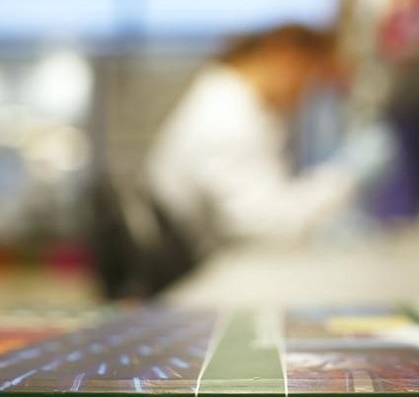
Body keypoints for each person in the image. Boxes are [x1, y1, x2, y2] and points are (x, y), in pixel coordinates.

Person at [146, 24, 382, 258]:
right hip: (200, 271)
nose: (305, 96)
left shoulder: (239, 105)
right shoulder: (227, 117)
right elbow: (262, 226)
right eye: (309, 79)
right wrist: (346, 177)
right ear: (287, 58)